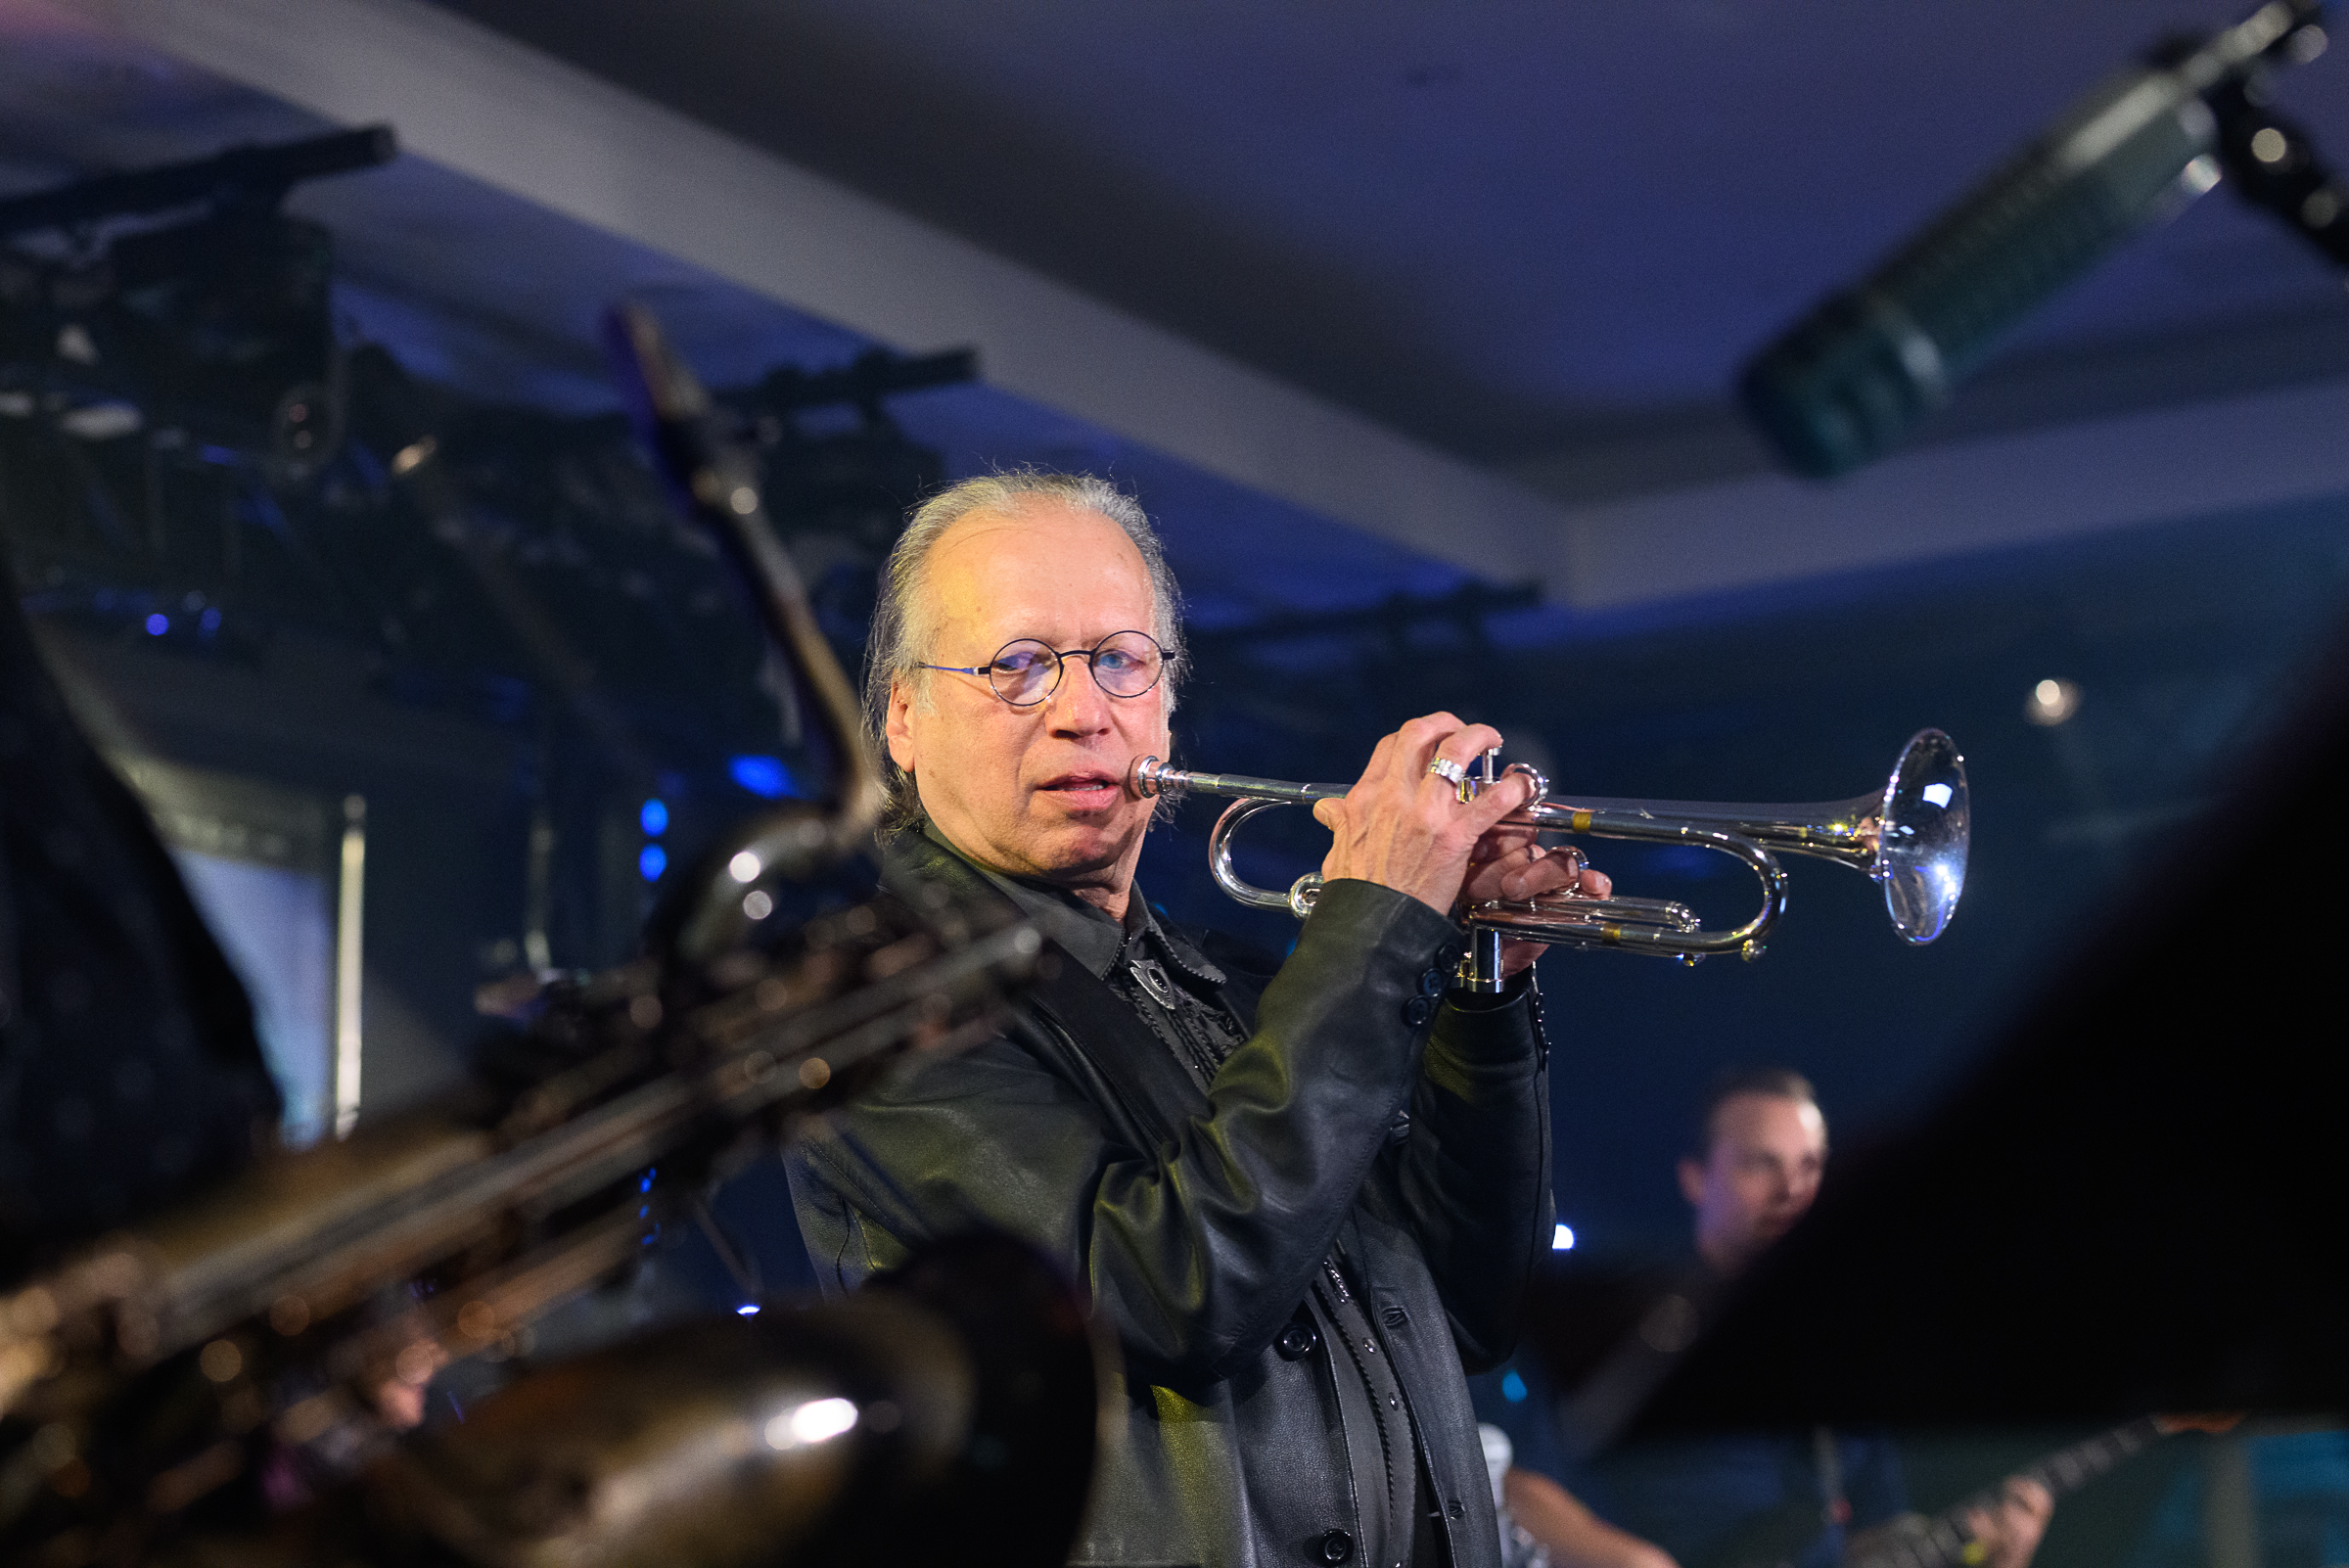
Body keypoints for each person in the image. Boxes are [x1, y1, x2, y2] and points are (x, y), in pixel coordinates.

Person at [785, 472, 1606, 1568]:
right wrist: (1373, 926)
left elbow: (1471, 1306)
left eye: (1120, 660)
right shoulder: (870, 1006)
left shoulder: (1243, 985)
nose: (1082, 712)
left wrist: (1479, 987)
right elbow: (1171, 1289)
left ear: (1166, 700)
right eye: (1017, 666)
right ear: (902, 719)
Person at [1479, 1070, 2054, 1568]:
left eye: (1810, 1167)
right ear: (1696, 1178)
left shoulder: (1848, 1349)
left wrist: (1988, 1555)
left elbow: (1872, 1538)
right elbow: (1511, 1486)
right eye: (1762, 1164)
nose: (1793, 1191)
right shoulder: (1618, 1320)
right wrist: (1636, 1562)